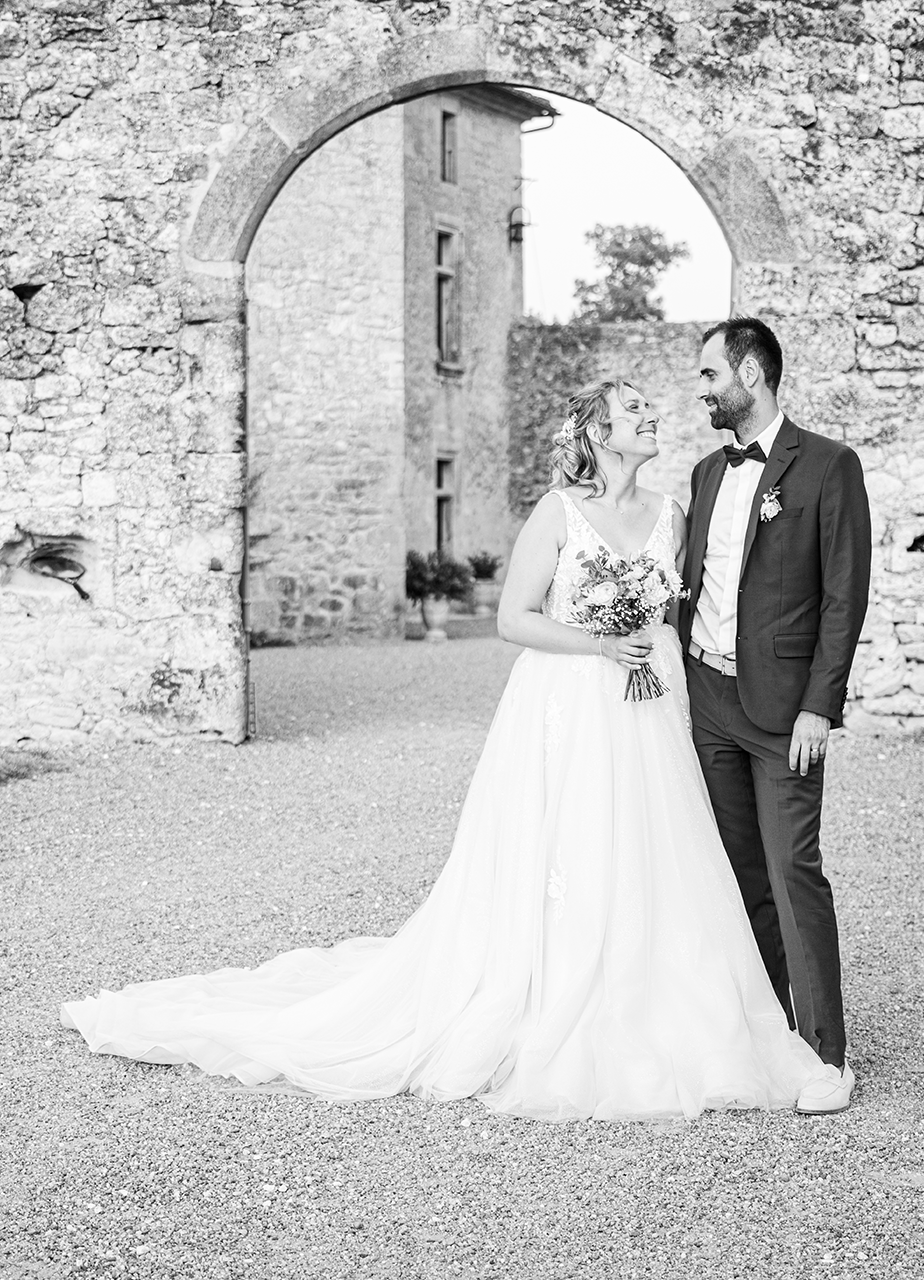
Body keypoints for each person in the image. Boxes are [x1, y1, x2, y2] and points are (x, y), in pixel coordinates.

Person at [62, 377, 828, 1120]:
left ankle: (654, 989)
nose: (652, 415)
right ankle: (558, 989)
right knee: (572, 841)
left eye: (649, 407)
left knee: (655, 843)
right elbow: (513, 619)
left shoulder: (674, 512)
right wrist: (601, 642)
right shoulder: (558, 512)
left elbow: (686, 605)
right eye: (635, 409)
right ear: (600, 433)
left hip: (649, 705)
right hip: (571, 701)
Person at [677, 317, 873, 1115]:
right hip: (708, 700)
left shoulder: (828, 465)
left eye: (709, 374)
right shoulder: (704, 474)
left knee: (793, 869)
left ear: (750, 374)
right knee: (738, 873)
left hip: (784, 711)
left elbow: (843, 598)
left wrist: (819, 707)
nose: (701, 390)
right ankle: (767, 1034)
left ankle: (826, 1055)